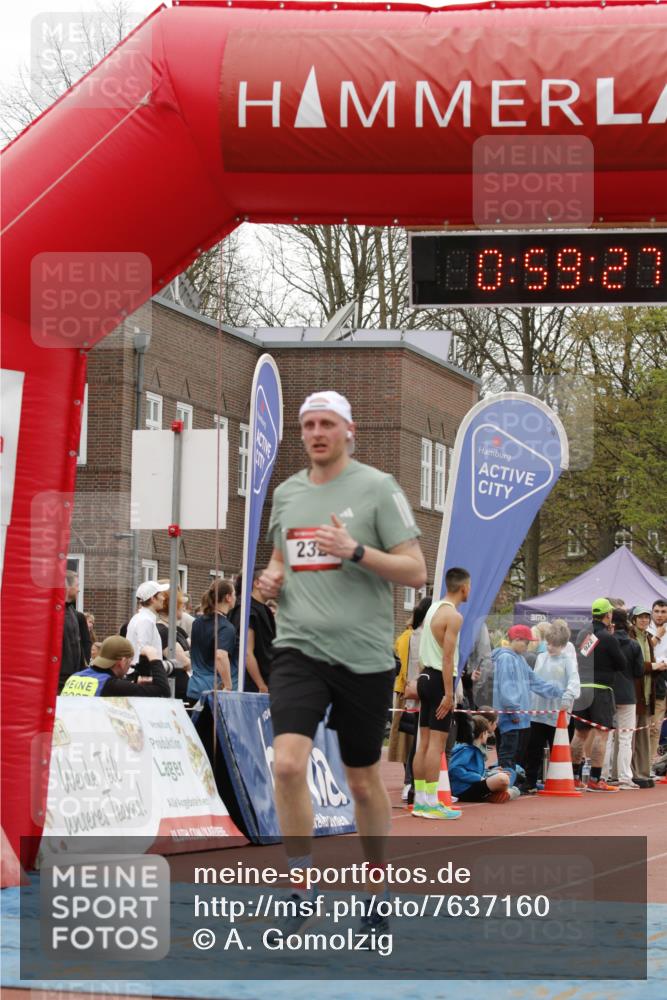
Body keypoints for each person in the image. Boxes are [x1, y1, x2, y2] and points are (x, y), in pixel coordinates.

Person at [258, 389, 426, 933]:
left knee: (361, 781)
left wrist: (354, 550)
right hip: (298, 649)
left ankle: (376, 889)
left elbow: (416, 571)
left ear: (349, 431)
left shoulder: (378, 488)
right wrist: (271, 578)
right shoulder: (287, 493)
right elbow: (281, 556)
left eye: (327, 423)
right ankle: (300, 886)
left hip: (364, 656)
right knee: (287, 764)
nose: (316, 433)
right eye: (308, 424)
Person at [411, 568, 470, 820]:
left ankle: (421, 801)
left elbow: (423, 649)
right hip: (437, 679)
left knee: (423, 744)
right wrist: (448, 693)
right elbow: (447, 658)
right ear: (464, 588)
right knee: (436, 746)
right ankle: (432, 803)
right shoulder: (453, 616)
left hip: (425, 677)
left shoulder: (432, 609)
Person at [492, 624, 564, 779]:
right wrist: (513, 711)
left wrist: (559, 692)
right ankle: (504, 784)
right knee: (508, 756)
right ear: (517, 640)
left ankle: (511, 784)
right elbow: (506, 688)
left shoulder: (519, 659)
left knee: (515, 757)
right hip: (511, 718)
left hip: (519, 717)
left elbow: (535, 681)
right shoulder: (506, 658)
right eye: (526, 642)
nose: (528, 646)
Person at [571, 598, 627, 792]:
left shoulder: (585, 635)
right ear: (608, 615)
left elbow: (583, 658)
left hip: (583, 687)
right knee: (601, 734)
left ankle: (574, 777)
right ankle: (595, 779)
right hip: (601, 689)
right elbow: (622, 664)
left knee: (580, 733)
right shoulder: (608, 638)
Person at [523, 620, 581, 793]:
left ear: (563, 645)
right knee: (533, 748)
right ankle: (530, 781)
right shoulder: (541, 657)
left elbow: (574, 681)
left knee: (558, 749)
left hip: (558, 714)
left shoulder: (568, 660)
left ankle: (557, 780)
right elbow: (535, 679)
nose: (550, 647)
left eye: (554, 645)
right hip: (538, 711)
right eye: (548, 643)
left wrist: (568, 696)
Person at [388, 597, 431, 800]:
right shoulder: (410, 637)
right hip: (408, 692)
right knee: (410, 740)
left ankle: (411, 782)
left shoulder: (410, 635)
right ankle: (409, 782)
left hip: (408, 690)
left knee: (412, 739)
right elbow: (406, 665)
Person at [604, 608, 644, 789]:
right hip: (627, 694)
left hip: (608, 692)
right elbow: (639, 671)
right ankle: (625, 776)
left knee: (606, 736)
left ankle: (602, 775)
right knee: (626, 738)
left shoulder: (604, 641)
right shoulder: (634, 644)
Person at [60, 636, 170, 697]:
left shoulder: (75, 677)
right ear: (122, 662)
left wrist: (134, 683)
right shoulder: (111, 685)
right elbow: (162, 690)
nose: (130, 666)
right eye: (129, 661)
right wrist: (154, 658)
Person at [630, 604, 665, 787]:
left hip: (651, 687)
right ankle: (630, 772)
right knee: (635, 734)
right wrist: (654, 666)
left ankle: (645, 769)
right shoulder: (635, 636)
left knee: (648, 730)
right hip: (638, 691)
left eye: (646, 617)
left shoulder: (646, 637)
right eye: (656, 611)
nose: (644, 620)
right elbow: (636, 665)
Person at [449, 714, 519, 804]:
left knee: (510, 778)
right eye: (487, 733)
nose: (488, 736)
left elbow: (475, 770)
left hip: (472, 786)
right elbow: (454, 769)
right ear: (483, 734)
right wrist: (480, 778)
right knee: (503, 779)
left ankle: (499, 794)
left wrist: (492, 772)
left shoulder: (477, 749)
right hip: (463, 790)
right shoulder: (466, 749)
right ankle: (499, 793)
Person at [187, 578, 237, 700]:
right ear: (228, 597)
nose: (236, 598)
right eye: (234, 594)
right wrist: (228, 686)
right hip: (213, 692)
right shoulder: (226, 627)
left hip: (194, 687)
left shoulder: (197, 622)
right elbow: (220, 656)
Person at [229, 572, 276, 693]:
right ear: (257, 583)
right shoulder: (246, 610)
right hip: (251, 688)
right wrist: (261, 685)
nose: (276, 584)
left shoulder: (265, 610)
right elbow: (247, 653)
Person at [155, 583, 191, 700]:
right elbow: (183, 663)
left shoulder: (177, 630)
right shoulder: (163, 631)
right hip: (175, 693)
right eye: (181, 604)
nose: (184, 607)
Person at [126, 581, 170, 667]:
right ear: (153, 599)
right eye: (160, 595)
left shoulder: (141, 618)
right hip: (144, 672)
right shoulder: (145, 620)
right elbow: (144, 650)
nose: (163, 598)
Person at [58, 570, 86, 692]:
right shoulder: (54, 614)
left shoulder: (73, 613)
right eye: (77, 585)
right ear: (67, 587)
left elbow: (78, 643)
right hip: (59, 679)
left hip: (73, 679)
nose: (78, 590)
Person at [648, 599, 667, 766]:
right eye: (657, 611)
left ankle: (654, 764)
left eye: (663, 612)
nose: (660, 615)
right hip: (653, 678)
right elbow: (644, 653)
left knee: (657, 726)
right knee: (653, 726)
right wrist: (657, 636)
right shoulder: (645, 628)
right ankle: (648, 764)